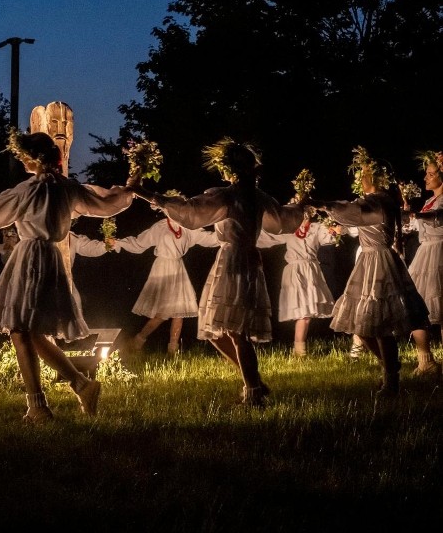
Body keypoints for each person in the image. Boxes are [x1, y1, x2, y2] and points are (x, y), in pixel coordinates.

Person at [0, 131, 133, 423]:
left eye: (24, 155)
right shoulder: (67, 187)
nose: (21, 159)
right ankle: (78, 385)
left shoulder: (30, 189)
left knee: (20, 328)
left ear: (33, 158)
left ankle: (40, 405)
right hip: (49, 257)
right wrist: (132, 186)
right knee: (29, 330)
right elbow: (105, 204)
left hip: (31, 257)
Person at [128, 138, 305, 407]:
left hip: (234, 259)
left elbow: (191, 212)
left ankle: (254, 392)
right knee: (219, 330)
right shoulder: (257, 197)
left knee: (234, 331)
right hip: (246, 259)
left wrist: (146, 193)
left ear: (230, 169)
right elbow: (282, 219)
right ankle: (253, 381)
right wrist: (303, 206)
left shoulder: (230, 196)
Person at [312, 147, 429, 397]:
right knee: (363, 325)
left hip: (378, 259)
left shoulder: (377, 201)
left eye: (364, 173)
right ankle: (390, 366)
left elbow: (352, 213)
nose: (360, 177)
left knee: (378, 324)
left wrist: (322, 204)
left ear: (374, 177)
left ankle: (391, 381)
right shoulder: (381, 200)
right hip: (370, 258)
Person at [115, 192, 218, 355]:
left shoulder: (188, 227)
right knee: (162, 313)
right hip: (162, 268)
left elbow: (208, 238)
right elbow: (139, 243)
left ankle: (173, 350)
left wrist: (228, 236)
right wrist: (117, 243)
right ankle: (137, 341)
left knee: (179, 312)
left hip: (177, 268)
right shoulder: (161, 227)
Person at [257, 209, 337, 357]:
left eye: (307, 213)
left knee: (306, 314)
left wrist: (335, 230)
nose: (305, 216)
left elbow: (329, 238)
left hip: (310, 270)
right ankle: (299, 351)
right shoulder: (289, 229)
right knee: (303, 314)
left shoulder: (316, 228)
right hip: (295, 271)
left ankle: (299, 351)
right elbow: (267, 238)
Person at [401, 150, 443, 378]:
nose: (426, 178)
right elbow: (420, 225)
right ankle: (425, 360)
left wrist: (417, 216)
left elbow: (438, 217)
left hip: (439, 251)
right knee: (416, 306)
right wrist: (408, 220)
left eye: (430, 174)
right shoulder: (429, 201)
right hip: (426, 253)